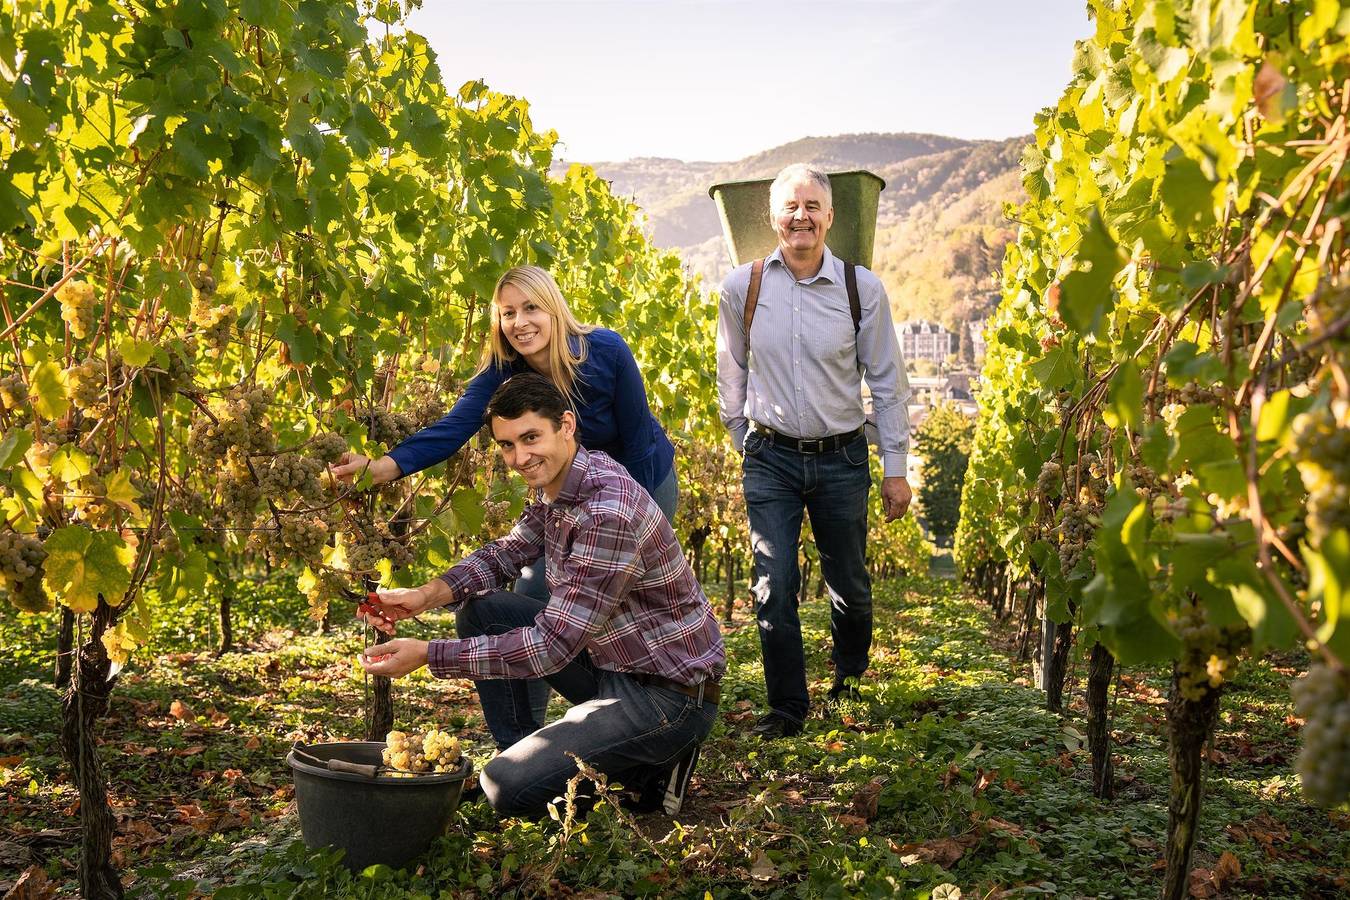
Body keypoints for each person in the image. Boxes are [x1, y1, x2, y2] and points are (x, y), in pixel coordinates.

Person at [357, 373, 724, 817]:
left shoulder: (606, 512)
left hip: (667, 696)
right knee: (483, 611)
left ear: (566, 425)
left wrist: (429, 655)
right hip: (614, 662)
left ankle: (652, 761)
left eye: (530, 438)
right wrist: (425, 595)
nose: (519, 457)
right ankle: (526, 754)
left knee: (503, 788)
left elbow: (550, 648)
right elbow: (510, 551)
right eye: (507, 445)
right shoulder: (565, 483)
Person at [332, 266, 678, 732]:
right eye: (508, 312)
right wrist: (380, 468)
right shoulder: (503, 373)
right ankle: (527, 739)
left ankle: (649, 712)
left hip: (642, 485)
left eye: (531, 307)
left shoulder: (606, 352)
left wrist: (627, 516)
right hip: (561, 494)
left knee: (619, 604)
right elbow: (453, 429)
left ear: (553, 307)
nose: (520, 322)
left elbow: (637, 438)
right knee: (533, 598)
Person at [715, 163, 912, 740]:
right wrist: (744, 445)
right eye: (789, 207)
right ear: (772, 217)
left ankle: (848, 683)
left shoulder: (860, 288)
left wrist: (894, 470)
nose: (800, 216)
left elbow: (888, 382)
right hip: (770, 458)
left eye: (811, 206)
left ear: (830, 216)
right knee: (773, 586)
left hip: (842, 458)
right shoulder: (742, 288)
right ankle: (787, 708)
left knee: (848, 584)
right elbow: (732, 379)